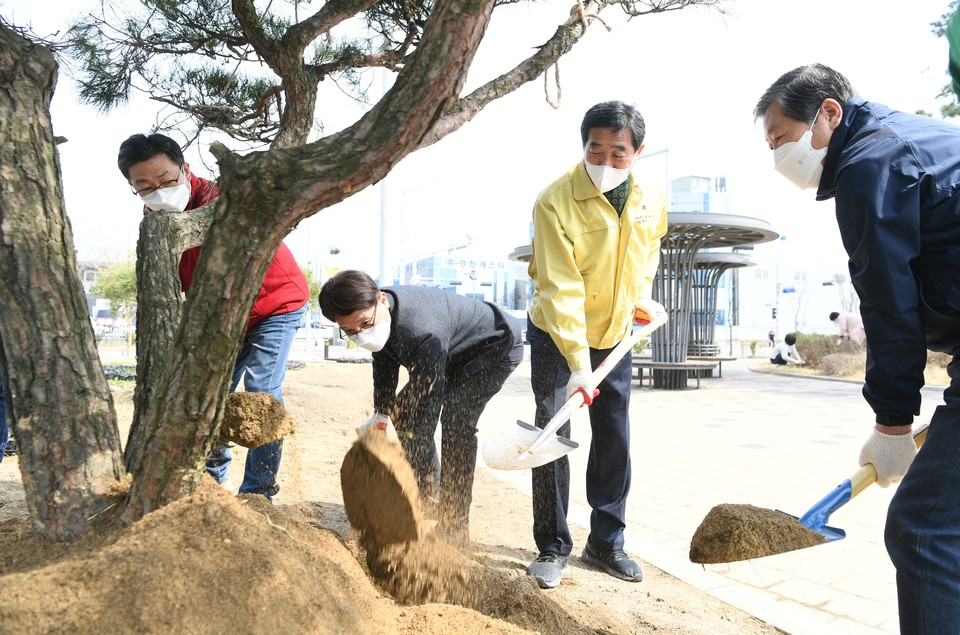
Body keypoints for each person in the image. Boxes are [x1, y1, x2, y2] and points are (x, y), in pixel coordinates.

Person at [754, 63, 960, 634]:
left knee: (923, 527)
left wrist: (893, 424)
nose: (778, 158)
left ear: (829, 113)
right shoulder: (912, 140)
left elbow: (890, 305)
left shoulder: (871, 164)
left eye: (781, 139)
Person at [118, 133, 309, 499]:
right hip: (220, 316)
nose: (158, 191)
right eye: (144, 186)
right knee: (209, 392)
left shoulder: (224, 198)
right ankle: (209, 485)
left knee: (262, 389)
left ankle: (259, 490)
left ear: (186, 169)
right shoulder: (155, 222)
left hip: (275, 302)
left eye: (167, 179)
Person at [524, 100, 667, 589]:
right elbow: (559, 287)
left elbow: (649, 250)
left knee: (614, 436)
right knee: (551, 434)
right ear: (583, 146)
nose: (605, 163)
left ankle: (607, 543)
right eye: (596, 150)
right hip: (555, 336)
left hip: (616, 332)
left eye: (618, 154)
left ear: (637, 151)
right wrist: (578, 366)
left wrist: (643, 296)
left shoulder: (650, 196)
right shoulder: (554, 200)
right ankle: (552, 545)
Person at [318, 269, 523, 543]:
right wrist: (381, 414)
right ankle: (430, 493)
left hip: (494, 346)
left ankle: (454, 525)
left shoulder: (421, 329)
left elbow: (426, 409)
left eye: (364, 324)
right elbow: (384, 362)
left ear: (380, 299)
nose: (361, 334)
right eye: (349, 331)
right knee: (404, 416)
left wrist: (402, 473)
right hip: (450, 351)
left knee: (455, 422)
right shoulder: (382, 319)